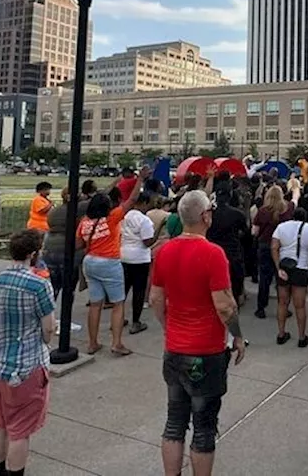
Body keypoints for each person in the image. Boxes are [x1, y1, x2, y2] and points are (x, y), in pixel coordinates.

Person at [150, 189, 245, 476]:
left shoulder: (164, 250)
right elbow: (225, 306)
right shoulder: (213, 253)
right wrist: (238, 336)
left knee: (174, 422)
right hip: (206, 351)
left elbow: (156, 298)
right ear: (205, 216)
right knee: (204, 428)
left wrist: (169, 327)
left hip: (175, 348)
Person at [0, 229, 55, 476]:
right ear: (33, 254)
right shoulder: (39, 285)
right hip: (27, 365)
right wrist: (46, 340)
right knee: (20, 432)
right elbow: (48, 327)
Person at [79, 183, 138, 357]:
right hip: (109, 263)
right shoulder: (111, 218)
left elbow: (78, 244)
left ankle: (92, 343)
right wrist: (140, 179)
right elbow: (132, 200)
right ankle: (117, 343)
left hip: (89, 261)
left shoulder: (84, 221)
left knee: (95, 304)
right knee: (118, 304)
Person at [271, 206, 308, 347]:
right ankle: (302, 337)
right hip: (300, 268)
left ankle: (281, 333)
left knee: (282, 303)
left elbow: (274, 247)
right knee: (300, 305)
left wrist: (278, 266)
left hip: (284, 267)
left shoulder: (281, 227)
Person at [252, 184, 293, 318]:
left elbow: (255, 231)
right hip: (282, 247)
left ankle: (261, 307)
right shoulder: (287, 210)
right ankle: (284, 307)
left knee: (264, 278)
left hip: (265, 245)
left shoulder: (262, 211)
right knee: (282, 279)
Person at [121, 193, 158, 334]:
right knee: (138, 291)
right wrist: (157, 233)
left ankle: (118, 317)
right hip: (139, 258)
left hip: (124, 254)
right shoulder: (144, 220)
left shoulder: (125, 216)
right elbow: (147, 242)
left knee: (123, 290)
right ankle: (136, 321)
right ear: (144, 203)